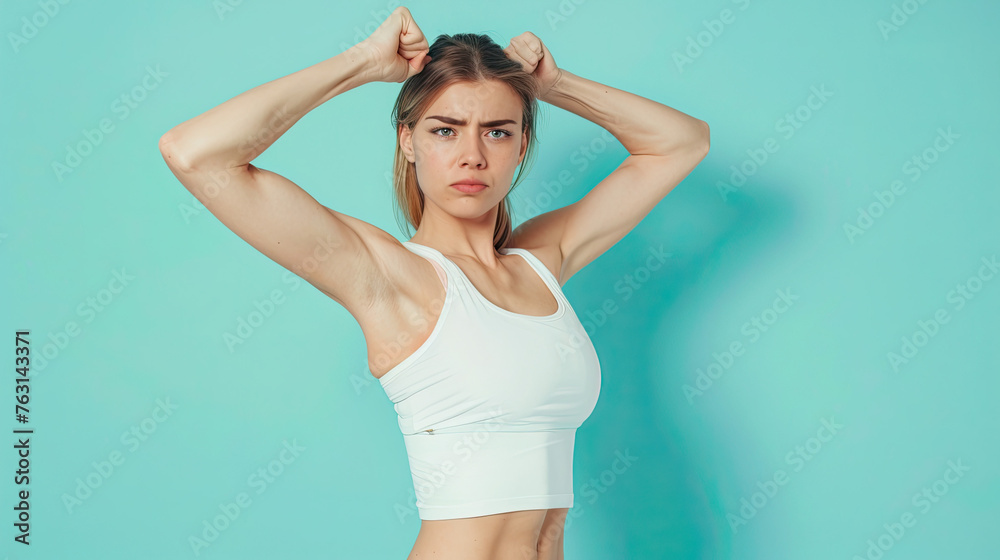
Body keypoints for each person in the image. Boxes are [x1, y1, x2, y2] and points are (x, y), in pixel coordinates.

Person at [158, 6, 709, 559]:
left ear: (522, 147)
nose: (472, 155)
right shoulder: (389, 277)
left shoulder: (543, 261)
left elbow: (681, 143)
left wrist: (553, 85)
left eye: (497, 131)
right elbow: (196, 154)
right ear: (407, 141)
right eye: (445, 130)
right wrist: (362, 64)